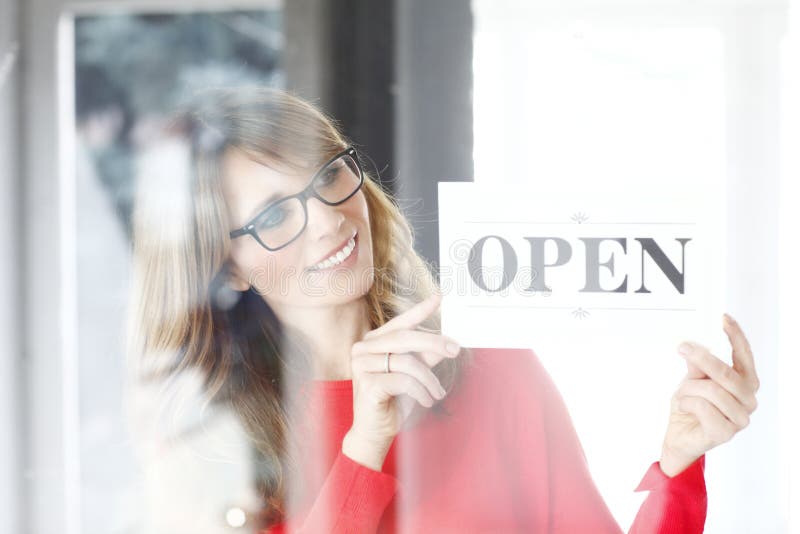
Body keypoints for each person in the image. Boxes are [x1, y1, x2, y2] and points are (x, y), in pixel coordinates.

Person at [127, 86, 760, 533]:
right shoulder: (206, 444)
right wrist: (364, 446)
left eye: (326, 176)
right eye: (272, 214)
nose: (326, 219)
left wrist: (678, 468)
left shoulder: (494, 365)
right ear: (226, 263)